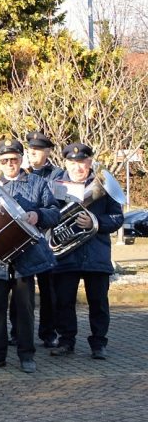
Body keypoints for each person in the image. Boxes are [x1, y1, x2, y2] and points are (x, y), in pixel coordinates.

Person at [0, 138, 59, 374]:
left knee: (24, 311)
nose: (9, 163)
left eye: (14, 159)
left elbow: (54, 212)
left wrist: (37, 215)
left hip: (25, 259)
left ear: (21, 159)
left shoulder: (37, 183)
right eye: (4, 160)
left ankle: (26, 356)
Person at [50, 143, 122, 360]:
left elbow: (117, 218)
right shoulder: (56, 185)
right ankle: (66, 341)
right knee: (64, 301)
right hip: (66, 254)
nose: (77, 167)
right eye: (72, 163)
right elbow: (48, 214)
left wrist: (94, 222)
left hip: (96, 254)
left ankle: (99, 343)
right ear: (65, 163)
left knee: (99, 302)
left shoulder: (104, 184)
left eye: (81, 162)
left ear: (90, 162)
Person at [23, 131, 61, 349]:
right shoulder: (21, 172)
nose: (33, 153)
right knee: (21, 290)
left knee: (49, 291)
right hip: (24, 240)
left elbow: (60, 207)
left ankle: (48, 332)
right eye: (31, 150)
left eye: (38, 150)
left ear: (47, 152)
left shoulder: (58, 175)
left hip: (48, 239)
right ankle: (17, 332)